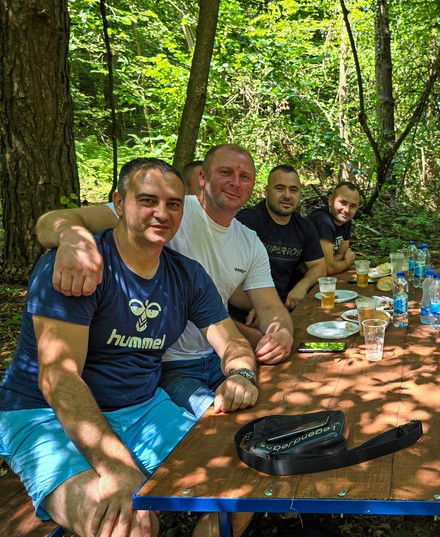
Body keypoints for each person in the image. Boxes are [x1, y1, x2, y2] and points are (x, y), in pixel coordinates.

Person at [0, 158, 258, 537]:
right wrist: (116, 466)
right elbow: (58, 378)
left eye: (173, 204)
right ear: (118, 203)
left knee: (240, 488)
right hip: (43, 415)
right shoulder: (80, 266)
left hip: (141, 408)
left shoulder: (186, 275)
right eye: (148, 200)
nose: (162, 213)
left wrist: (240, 373)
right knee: (128, 524)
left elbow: (232, 341)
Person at [36, 144, 294, 419]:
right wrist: (74, 238)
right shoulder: (165, 209)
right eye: (225, 172)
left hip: (220, 354)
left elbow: (270, 307)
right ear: (203, 179)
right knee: (217, 425)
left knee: (276, 405)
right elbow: (52, 222)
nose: (235, 182)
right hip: (164, 364)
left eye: (245, 177)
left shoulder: (247, 240)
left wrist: (282, 333)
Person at [230, 165, 326, 311]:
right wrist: (260, 307)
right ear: (266, 192)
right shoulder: (248, 222)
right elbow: (228, 277)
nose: (287, 195)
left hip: (284, 305)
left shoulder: (304, 226)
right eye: (280, 188)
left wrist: (302, 286)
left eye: (293, 190)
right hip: (246, 308)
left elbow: (320, 266)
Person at [307, 181, 360, 275]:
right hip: (299, 278)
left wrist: (332, 262)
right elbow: (328, 268)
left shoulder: (345, 220)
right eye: (342, 203)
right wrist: (348, 262)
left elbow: (341, 255)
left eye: (352, 206)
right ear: (330, 201)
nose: (347, 210)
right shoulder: (322, 220)